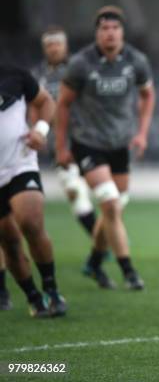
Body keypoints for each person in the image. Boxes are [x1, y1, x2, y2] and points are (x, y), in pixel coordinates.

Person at [55, 5, 155, 290]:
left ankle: (94, 262)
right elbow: (62, 104)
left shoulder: (136, 61)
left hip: (119, 144)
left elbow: (148, 94)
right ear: (97, 33)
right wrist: (61, 147)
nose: (110, 33)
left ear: (122, 32)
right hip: (87, 143)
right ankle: (129, 271)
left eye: (115, 28)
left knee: (114, 210)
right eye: (104, 29)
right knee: (110, 203)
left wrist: (142, 133)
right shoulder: (81, 63)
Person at [31, 26, 104, 277]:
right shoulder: (38, 76)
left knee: (108, 196)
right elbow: (34, 106)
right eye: (49, 45)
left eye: (57, 44)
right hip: (59, 146)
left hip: (87, 141)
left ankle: (101, 245)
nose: (54, 48)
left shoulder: (79, 68)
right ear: (44, 48)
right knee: (76, 194)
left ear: (65, 46)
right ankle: (100, 245)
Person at [0, 64, 66, 317]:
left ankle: (51, 290)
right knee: (9, 242)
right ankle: (33, 298)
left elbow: (46, 101)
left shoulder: (13, 74)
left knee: (30, 222)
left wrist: (40, 131)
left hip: (19, 162)